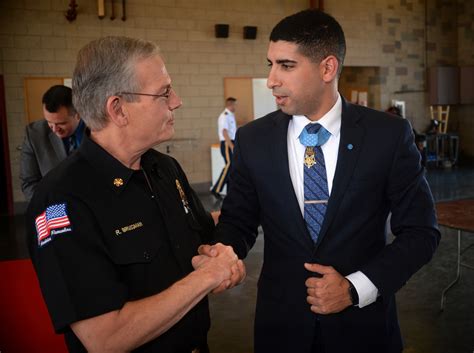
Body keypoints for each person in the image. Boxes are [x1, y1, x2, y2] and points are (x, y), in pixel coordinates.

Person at [199, 9, 440, 353]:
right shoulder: (254, 140)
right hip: (280, 328)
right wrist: (225, 251)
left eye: (286, 65)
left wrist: (355, 288)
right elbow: (239, 220)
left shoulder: (387, 136)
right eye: (270, 64)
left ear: (327, 68)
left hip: (363, 331)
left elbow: (421, 232)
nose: (271, 79)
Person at [26, 36, 244, 353]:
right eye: (163, 93)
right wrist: (207, 277)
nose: (177, 101)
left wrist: (227, 251)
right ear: (118, 109)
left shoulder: (165, 169)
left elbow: (196, 232)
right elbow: (105, 339)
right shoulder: (60, 202)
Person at [20, 85, 85, 202]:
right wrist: (56, 213)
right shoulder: (34, 134)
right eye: (49, 122)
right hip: (53, 210)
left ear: (78, 114)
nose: (54, 129)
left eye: (61, 123)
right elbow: (29, 183)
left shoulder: (98, 130)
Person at [211, 97, 237, 199]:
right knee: (229, 166)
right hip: (227, 143)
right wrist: (232, 146)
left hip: (231, 142)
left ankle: (230, 191)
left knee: (232, 167)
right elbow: (224, 132)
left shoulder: (230, 115)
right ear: (230, 104)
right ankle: (216, 189)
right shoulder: (224, 116)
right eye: (235, 105)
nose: (236, 107)